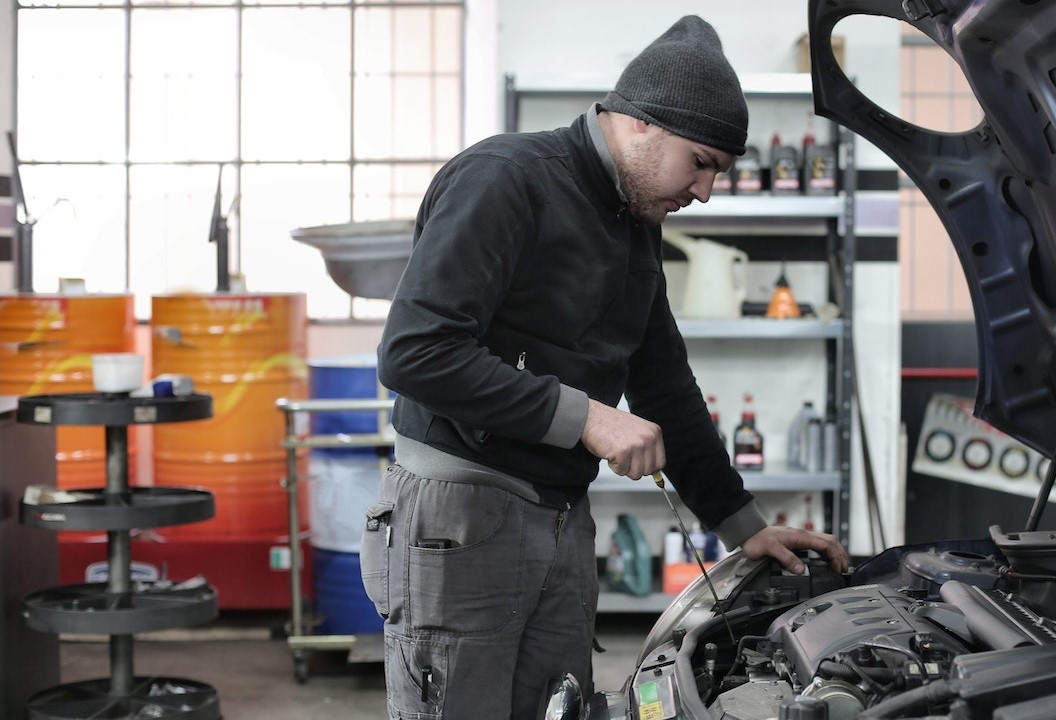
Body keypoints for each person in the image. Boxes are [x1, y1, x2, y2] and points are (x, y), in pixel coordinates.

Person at [362, 14, 850, 720]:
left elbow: (663, 383)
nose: (706, 191)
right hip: (460, 519)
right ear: (642, 124)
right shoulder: (505, 181)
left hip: (560, 517)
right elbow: (414, 352)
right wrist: (586, 416)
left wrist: (744, 528)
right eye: (702, 162)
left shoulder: (633, 221)